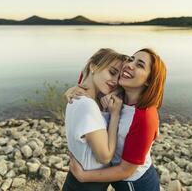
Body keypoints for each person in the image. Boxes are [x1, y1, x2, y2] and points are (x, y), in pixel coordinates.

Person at [67, 48, 174, 191]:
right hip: (112, 175)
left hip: (134, 184)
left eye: (140, 65)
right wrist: (72, 90)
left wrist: (83, 177)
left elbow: (126, 170)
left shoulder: (144, 117)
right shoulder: (118, 92)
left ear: (149, 80)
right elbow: (89, 77)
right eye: (131, 59)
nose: (130, 65)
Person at [63, 48, 126, 191]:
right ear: (93, 66)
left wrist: (115, 91)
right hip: (87, 185)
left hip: (77, 179)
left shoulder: (78, 97)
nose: (115, 81)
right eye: (112, 72)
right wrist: (115, 115)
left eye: (119, 78)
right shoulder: (88, 105)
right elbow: (105, 156)